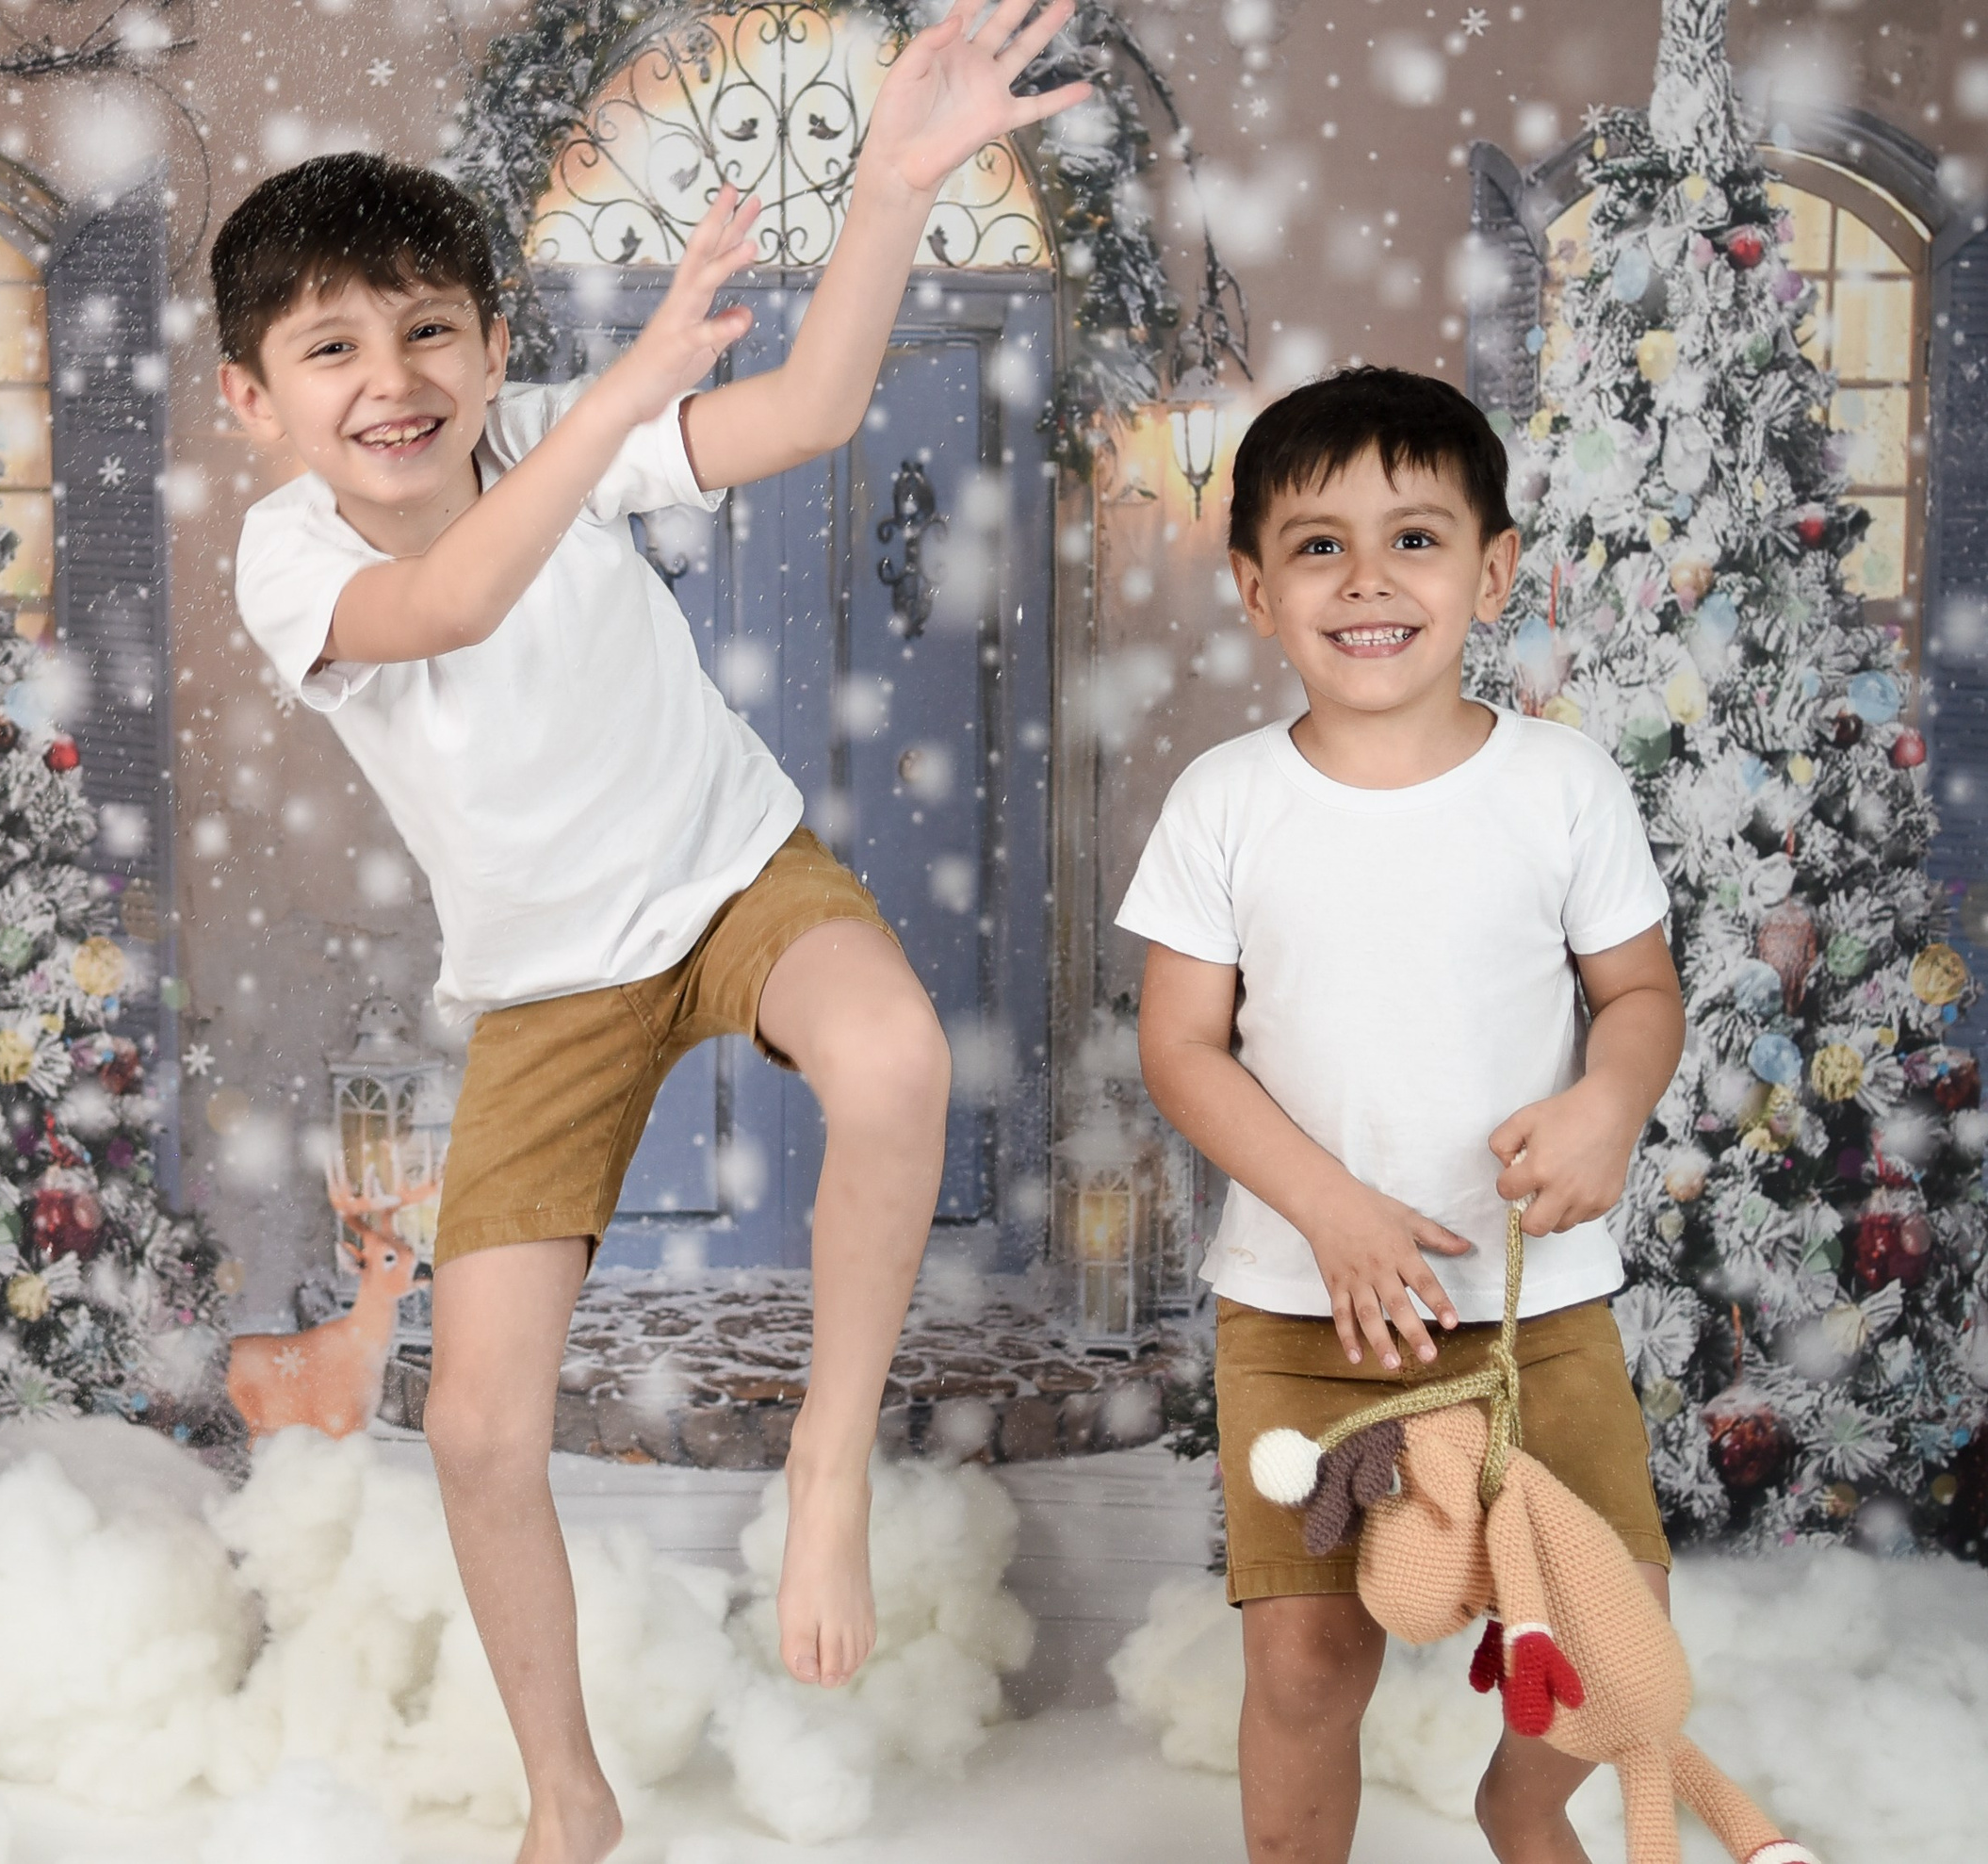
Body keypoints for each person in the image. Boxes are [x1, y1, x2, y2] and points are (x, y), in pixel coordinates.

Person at [212, 6, 1087, 1858]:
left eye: (429, 329)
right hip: (549, 983)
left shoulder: (543, 423)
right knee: (471, 1429)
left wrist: (889, 191)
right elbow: (447, 599)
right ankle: (567, 1792)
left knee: (895, 1053)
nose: (392, 378)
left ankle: (827, 1463)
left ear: (492, 341)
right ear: (254, 399)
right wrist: (602, 412)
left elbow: (813, 406)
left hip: (729, 873)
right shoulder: (287, 556)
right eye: (331, 347)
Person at [1119, 367, 1687, 1864]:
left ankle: (1523, 1797)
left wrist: (1609, 1102)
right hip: (1303, 1316)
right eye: (1318, 546)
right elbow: (1182, 1047)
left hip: (1533, 1310)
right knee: (1307, 1662)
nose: (1368, 580)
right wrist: (1336, 1210)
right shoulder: (1225, 801)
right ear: (1254, 586)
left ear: (1493, 570)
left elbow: (1639, 993)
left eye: (1416, 539)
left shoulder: (1562, 785)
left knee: (1614, 1624)